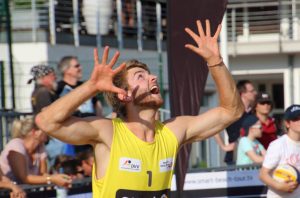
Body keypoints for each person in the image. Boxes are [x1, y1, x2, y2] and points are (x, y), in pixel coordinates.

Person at [35, 20, 244, 197]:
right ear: (124, 94)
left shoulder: (172, 131)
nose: (152, 77)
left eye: (150, 74)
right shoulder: (108, 132)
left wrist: (215, 61)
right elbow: (46, 121)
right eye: (140, 77)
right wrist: (91, 87)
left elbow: (232, 111)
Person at [0, 117, 72, 187]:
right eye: (44, 129)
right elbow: (25, 178)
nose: (47, 132)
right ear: (34, 132)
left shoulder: (40, 147)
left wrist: (58, 178)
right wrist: (53, 179)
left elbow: (43, 175)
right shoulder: (16, 145)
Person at [260, 104, 300, 198]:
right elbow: (262, 174)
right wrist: (279, 186)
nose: (299, 121)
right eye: (295, 119)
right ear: (287, 123)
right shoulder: (278, 145)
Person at [215, 79, 257, 165]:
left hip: (254, 156)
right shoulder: (232, 111)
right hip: (235, 157)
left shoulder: (253, 111)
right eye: (251, 91)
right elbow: (214, 128)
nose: (255, 93)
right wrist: (224, 146)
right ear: (243, 94)